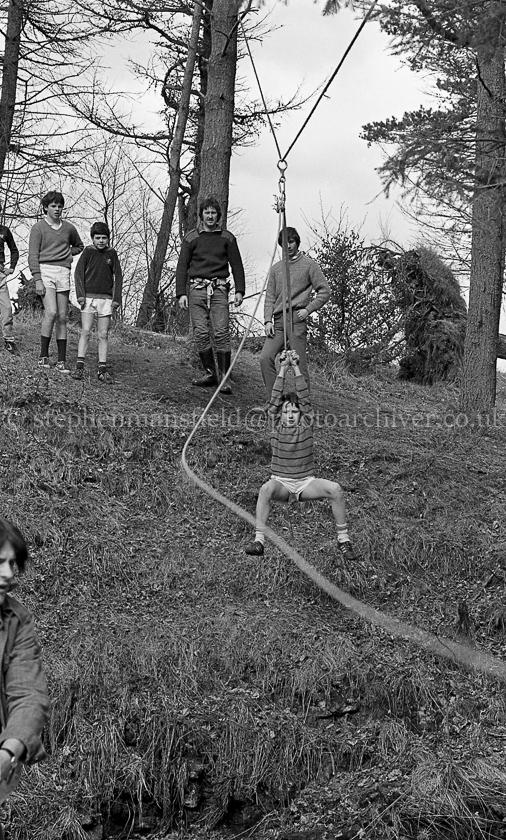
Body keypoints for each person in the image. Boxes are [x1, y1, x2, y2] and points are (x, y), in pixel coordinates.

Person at [245, 350, 357, 560]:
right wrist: (282, 369)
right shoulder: (275, 425)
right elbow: (274, 402)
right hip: (282, 482)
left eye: (294, 412)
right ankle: (259, 541)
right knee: (265, 489)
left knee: (335, 489)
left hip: (305, 482)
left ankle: (343, 540)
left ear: (300, 415)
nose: (289, 415)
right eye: (286, 412)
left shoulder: (306, 425)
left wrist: (295, 367)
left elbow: (305, 400)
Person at [0, 518, 50, 838]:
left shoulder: (17, 621)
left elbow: (29, 695)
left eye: (11, 564)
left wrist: (8, 753)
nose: (7, 574)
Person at [176, 196, 245, 396]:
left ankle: (225, 378)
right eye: (207, 212)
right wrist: (181, 293)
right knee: (200, 332)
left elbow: (237, 265)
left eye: (213, 212)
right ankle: (210, 373)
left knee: (222, 332)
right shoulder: (191, 238)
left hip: (219, 290)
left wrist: (240, 290)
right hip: (196, 289)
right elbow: (182, 266)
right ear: (201, 215)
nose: (210, 216)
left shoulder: (227, 238)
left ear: (218, 215)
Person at [260, 227, 330, 399]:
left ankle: (303, 404)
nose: (288, 246)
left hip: (296, 319)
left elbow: (325, 291)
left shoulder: (309, 265)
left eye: (291, 242)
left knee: (299, 364)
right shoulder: (276, 268)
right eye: (285, 243)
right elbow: (269, 297)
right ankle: (274, 401)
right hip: (278, 321)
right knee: (265, 358)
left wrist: (308, 309)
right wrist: (267, 320)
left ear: (297, 242)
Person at [29, 191, 84, 372]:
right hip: (45, 271)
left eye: (60, 206)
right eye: (53, 206)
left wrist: (68, 253)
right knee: (51, 312)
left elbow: (79, 246)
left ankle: (61, 361)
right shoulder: (38, 228)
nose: (57, 209)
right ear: (45, 208)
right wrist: (37, 279)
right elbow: (32, 256)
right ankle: (43, 356)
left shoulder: (68, 228)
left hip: (63, 272)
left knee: (62, 316)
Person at [72, 222, 123, 383]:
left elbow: (118, 276)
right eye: (98, 238)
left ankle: (102, 369)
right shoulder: (88, 251)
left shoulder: (111, 253)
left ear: (108, 238)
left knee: (103, 334)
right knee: (86, 331)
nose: (101, 241)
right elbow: (78, 273)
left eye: (104, 238)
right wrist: (81, 296)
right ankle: (79, 366)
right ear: (93, 238)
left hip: (106, 299)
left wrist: (116, 299)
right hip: (89, 298)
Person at [0, 222, 20, 356]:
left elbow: (14, 250)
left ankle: (8, 340)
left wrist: (12, 267)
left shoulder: (4, 230)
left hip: (1, 274)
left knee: (7, 308)